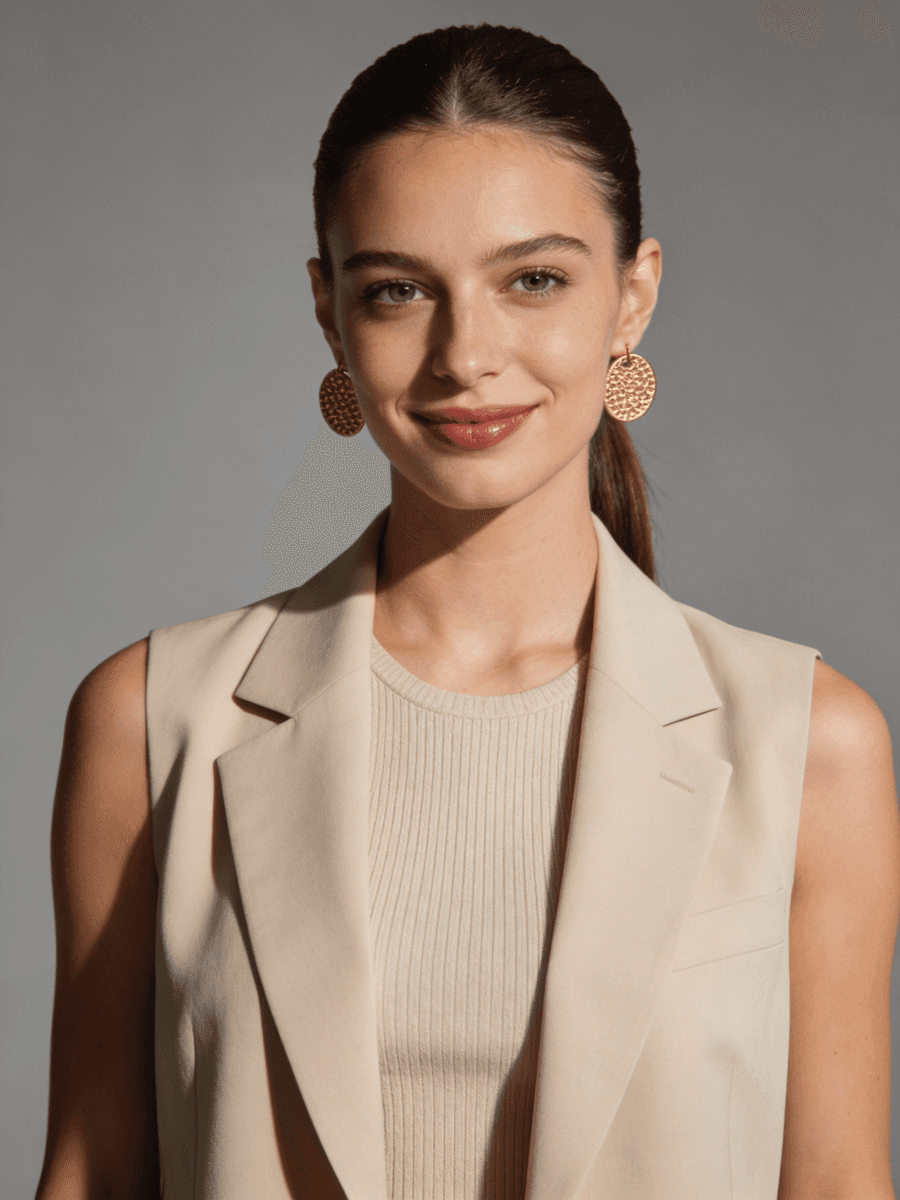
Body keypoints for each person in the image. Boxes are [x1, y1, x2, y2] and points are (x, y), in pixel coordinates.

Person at [35, 22, 899, 1200]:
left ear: (633, 297)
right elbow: (87, 1175)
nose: (466, 355)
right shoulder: (151, 723)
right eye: (398, 291)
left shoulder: (812, 745)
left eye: (533, 279)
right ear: (331, 314)